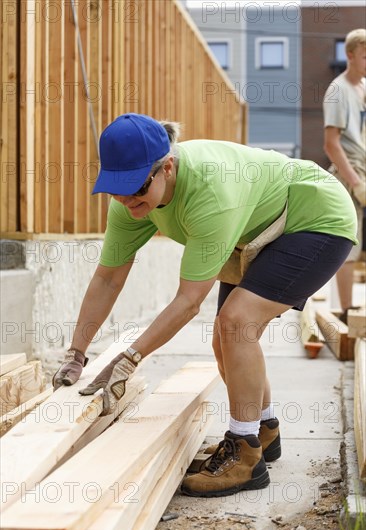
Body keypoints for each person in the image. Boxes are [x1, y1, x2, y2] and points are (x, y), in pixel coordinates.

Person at [53, 113, 357, 498]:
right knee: (224, 341)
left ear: (167, 167)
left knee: (237, 323)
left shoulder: (210, 193)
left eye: (136, 189)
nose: (127, 201)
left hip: (316, 218)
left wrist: (129, 358)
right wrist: (76, 353)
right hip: (260, 228)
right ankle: (264, 430)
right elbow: (108, 278)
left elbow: (188, 301)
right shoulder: (131, 200)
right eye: (116, 190)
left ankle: (245, 455)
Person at [323, 28, 366, 323]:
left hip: (362, 168)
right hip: (348, 173)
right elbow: (331, 143)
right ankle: (348, 312)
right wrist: (355, 182)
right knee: (349, 241)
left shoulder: (362, 87)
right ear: (350, 55)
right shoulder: (338, 90)